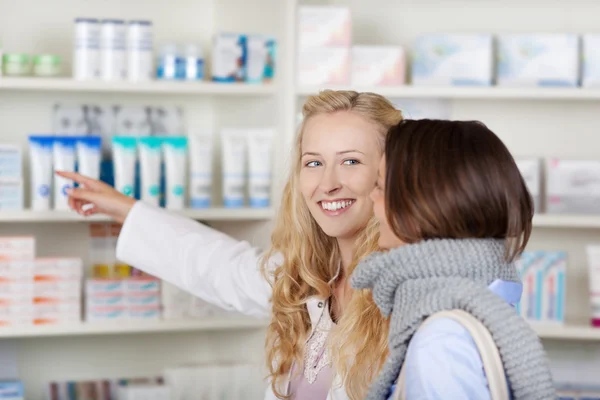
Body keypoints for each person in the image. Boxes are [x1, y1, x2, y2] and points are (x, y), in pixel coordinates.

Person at [58, 90, 404, 400]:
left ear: (390, 173)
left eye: (351, 161)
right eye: (314, 162)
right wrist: (124, 208)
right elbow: (217, 265)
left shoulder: (407, 296)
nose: (327, 184)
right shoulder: (306, 278)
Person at [351, 119, 556, 400]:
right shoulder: (490, 298)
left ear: (423, 205)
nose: (372, 197)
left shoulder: (440, 341)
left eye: (381, 187)